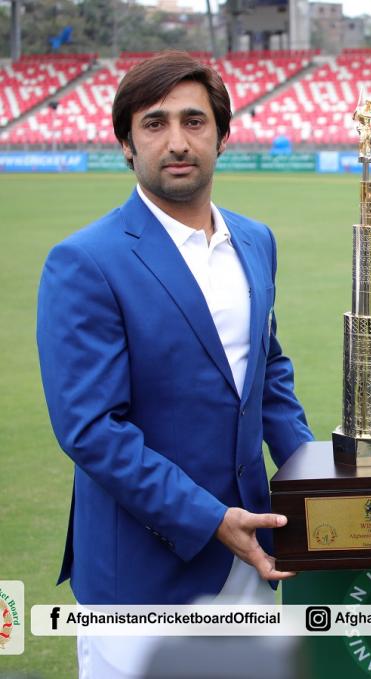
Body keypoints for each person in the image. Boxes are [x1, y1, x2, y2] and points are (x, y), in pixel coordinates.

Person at [36, 51, 313, 676]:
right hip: (142, 576)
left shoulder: (255, 240)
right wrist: (209, 519)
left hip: (251, 559)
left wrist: (313, 477)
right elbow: (91, 429)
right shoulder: (85, 260)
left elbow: (266, 371)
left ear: (222, 135)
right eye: (154, 124)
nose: (178, 141)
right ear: (127, 144)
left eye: (194, 121)